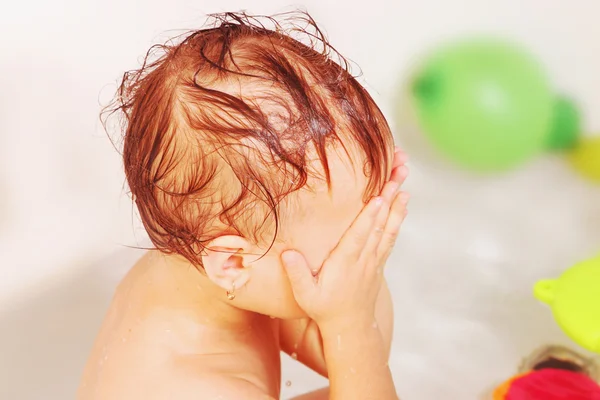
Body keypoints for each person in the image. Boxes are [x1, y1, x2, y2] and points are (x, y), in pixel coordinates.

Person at [78, 11, 409, 400]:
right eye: (349, 242)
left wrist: (357, 298)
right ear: (233, 262)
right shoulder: (196, 388)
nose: (362, 251)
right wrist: (350, 320)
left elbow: (351, 349)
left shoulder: (225, 267)